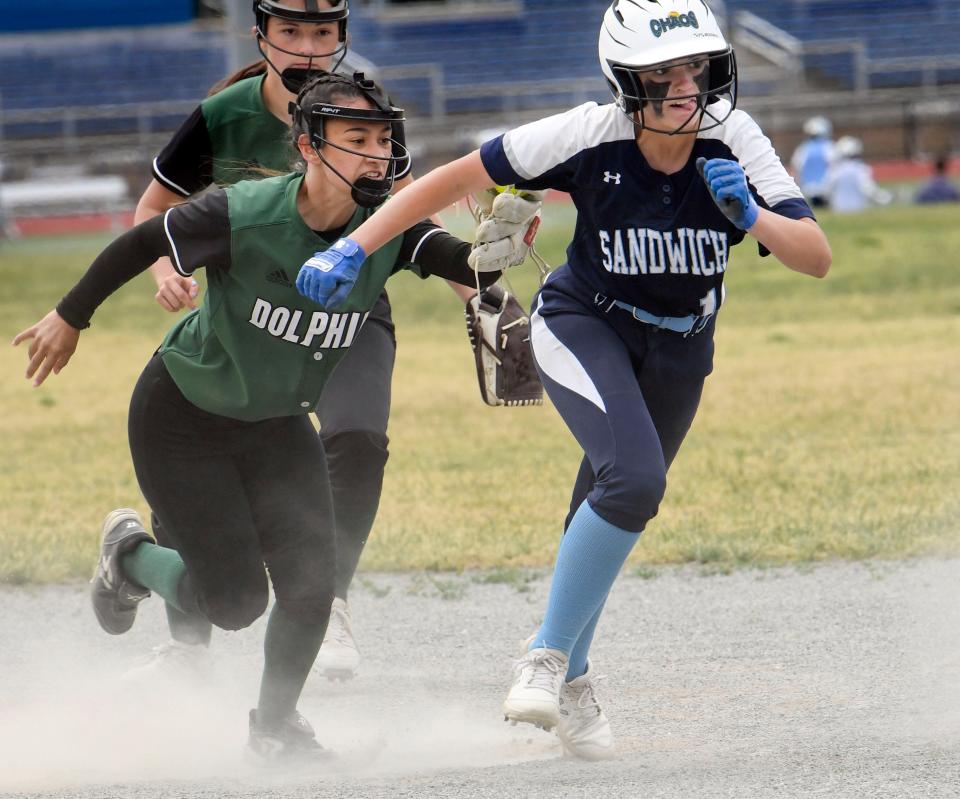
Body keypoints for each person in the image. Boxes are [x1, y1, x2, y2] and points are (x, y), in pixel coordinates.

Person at [290, 0, 832, 761]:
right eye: (663, 73)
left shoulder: (733, 139)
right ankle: (543, 656)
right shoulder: (589, 131)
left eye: (695, 69)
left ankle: (570, 677)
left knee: (610, 503)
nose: (685, 87)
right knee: (636, 482)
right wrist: (356, 244)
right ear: (626, 80)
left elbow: (816, 254)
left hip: (681, 350)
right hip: (586, 322)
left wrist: (753, 217)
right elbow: (453, 178)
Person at [12, 72, 532, 760]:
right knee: (231, 602)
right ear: (309, 147)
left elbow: (456, 261)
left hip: (278, 421)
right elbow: (142, 243)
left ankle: (275, 726)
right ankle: (130, 555)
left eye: (383, 139)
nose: (377, 155)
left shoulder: (386, 233)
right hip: (182, 419)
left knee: (313, 583)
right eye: (356, 139)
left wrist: (496, 263)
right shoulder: (244, 212)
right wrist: (70, 316)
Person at [133, 0, 488, 682]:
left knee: (357, 438)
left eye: (322, 32)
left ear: (342, 38)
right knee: (199, 456)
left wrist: (481, 296)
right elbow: (154, 209)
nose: (306, 46)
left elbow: (415, 216)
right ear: (261, 34)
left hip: (348, 311)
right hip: (247, 319)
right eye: (290, 31)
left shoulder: (363, 111)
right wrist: (163, 266)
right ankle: (184, 641)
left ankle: (331, 600)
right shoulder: (223, 115)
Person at [826, 135, 891, 213]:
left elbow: (827, 190)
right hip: (858, 210)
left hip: (838, 211)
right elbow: (869, 190)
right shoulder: (861, 169)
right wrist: (885, 198)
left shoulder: (834, 170)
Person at [791, 115, 835, 208]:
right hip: (826, 189)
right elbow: (835, 167)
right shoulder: (829, 147)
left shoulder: (802, 149)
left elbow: (797, 167)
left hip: (807, 190)